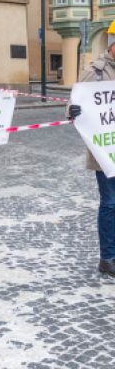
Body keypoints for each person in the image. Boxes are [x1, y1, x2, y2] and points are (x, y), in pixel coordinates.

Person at [68, 28, 115, 277]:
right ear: (112, 44)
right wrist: (72, 110)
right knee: (110, 203)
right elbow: (75, 102)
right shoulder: (95, 71)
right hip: (105, 152)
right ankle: (107, 258)